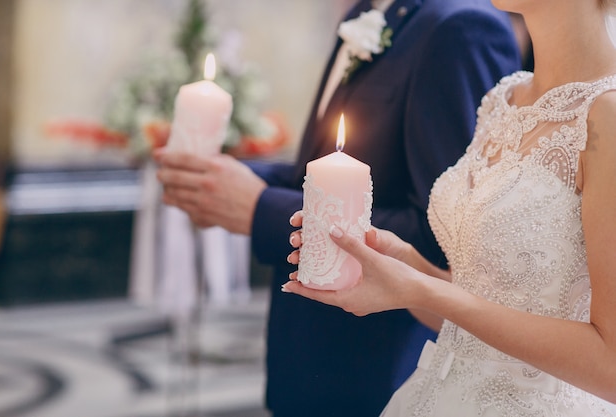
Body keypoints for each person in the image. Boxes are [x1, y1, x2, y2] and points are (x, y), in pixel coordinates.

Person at [154, 0, 520, 415]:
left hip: (379, 368)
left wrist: (260, 208)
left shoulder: (460, 28)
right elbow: (328, 173)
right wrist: (226, 181)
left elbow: (443, 236)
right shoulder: (363, 14)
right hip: (307, 351)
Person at [283, 0, 616, 415]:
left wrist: (426, 288)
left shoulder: (609, 116)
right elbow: (473, 322)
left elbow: (610, 366)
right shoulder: (504, 98)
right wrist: (407, 270)